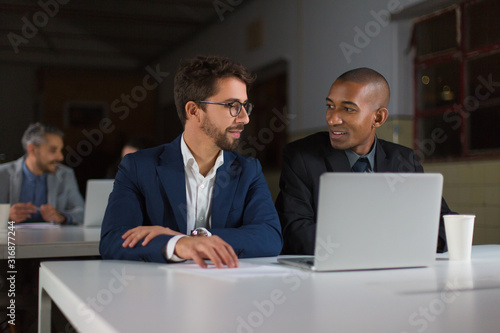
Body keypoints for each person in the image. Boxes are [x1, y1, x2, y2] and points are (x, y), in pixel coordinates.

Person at [100, 55, 283, 268]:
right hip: (158, 293)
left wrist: (199, 238)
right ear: (194, 111)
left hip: (228, 292)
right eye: (232, 105)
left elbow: (270, 238)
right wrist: (178, 245)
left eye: (245, 106)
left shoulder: (249, 170)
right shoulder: (138, 167)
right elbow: (113, 241)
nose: (244, 118)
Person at [275, 67, 454, 255]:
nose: (332, 119)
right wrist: (386, 242)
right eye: (330, 106)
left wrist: (424, 241)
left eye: (348, 109)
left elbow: (446, 223)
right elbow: (295, 232)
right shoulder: (302, 157)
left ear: (378, 117)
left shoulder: (404, 160)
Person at [0, 122, 84, 224]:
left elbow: (82, 212)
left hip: (55, 239)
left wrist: (62, 217)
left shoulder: (66, 174)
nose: (60, 157)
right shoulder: (2, 174)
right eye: (53, 150)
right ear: (32, 149)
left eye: (60, 150)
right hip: (12, 239)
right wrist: (6, 216)